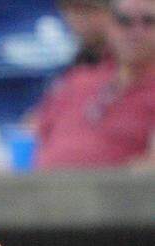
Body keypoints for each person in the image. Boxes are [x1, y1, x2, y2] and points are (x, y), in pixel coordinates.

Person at [33, 0, 155, 170]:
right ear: (110, 27)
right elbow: (30, 134)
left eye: (149, 21)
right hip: (43, 189)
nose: (135, 31)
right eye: (124, 21)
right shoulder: (79, 80)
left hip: (116, 193)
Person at [58, 0, 115, 67]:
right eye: (73, 11)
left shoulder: (124, 60)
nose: (78, 20)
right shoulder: (69, 62)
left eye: (87, 11)